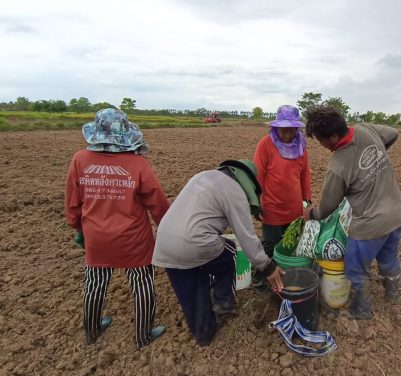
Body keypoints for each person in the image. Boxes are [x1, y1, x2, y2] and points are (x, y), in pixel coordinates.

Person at [64, 108, 170, 347]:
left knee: (94, 283)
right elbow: (157, 203)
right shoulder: (138, 163)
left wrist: (77, 226)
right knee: (142, 282)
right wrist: (167, 228)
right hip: (133, 238)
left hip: (96, 236)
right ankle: (143, 335)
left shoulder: (80, 159)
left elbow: (73, 201)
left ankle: (91, 332)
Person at [152, 159, 285, 346]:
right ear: (248, 183)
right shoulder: (235, 190)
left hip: (164, 243)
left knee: (191, 282)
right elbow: (246, 236)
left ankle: (203, 333)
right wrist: (267, 266)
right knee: (228, 252)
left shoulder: (204, 176)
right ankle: (224, 304)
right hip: (195, 243)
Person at [303, 105, 401, 320]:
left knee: (356, 268)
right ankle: (392, 293)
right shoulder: (365, 129)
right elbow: (393, 133)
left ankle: (362, 310)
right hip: (396, 214)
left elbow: (328, 206)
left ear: (332, 136)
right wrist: (378, 156)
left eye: (321, 141)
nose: (322, 145)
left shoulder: (338, 165)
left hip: (370, 224)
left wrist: (311, 214)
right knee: (388, 258)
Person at [252, 105, 311, 293]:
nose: (288, 134)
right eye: (284, 130)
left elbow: (304, 175)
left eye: (292, 130)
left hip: (293, 208)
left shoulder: (301, 145)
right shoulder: (266, 144)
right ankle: (260, 279)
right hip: (271, 207)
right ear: (276, 128)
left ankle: (283, 277)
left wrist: (306, 200)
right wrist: (255, 202)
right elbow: (257, 175)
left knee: (288, 246)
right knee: (269, 246)